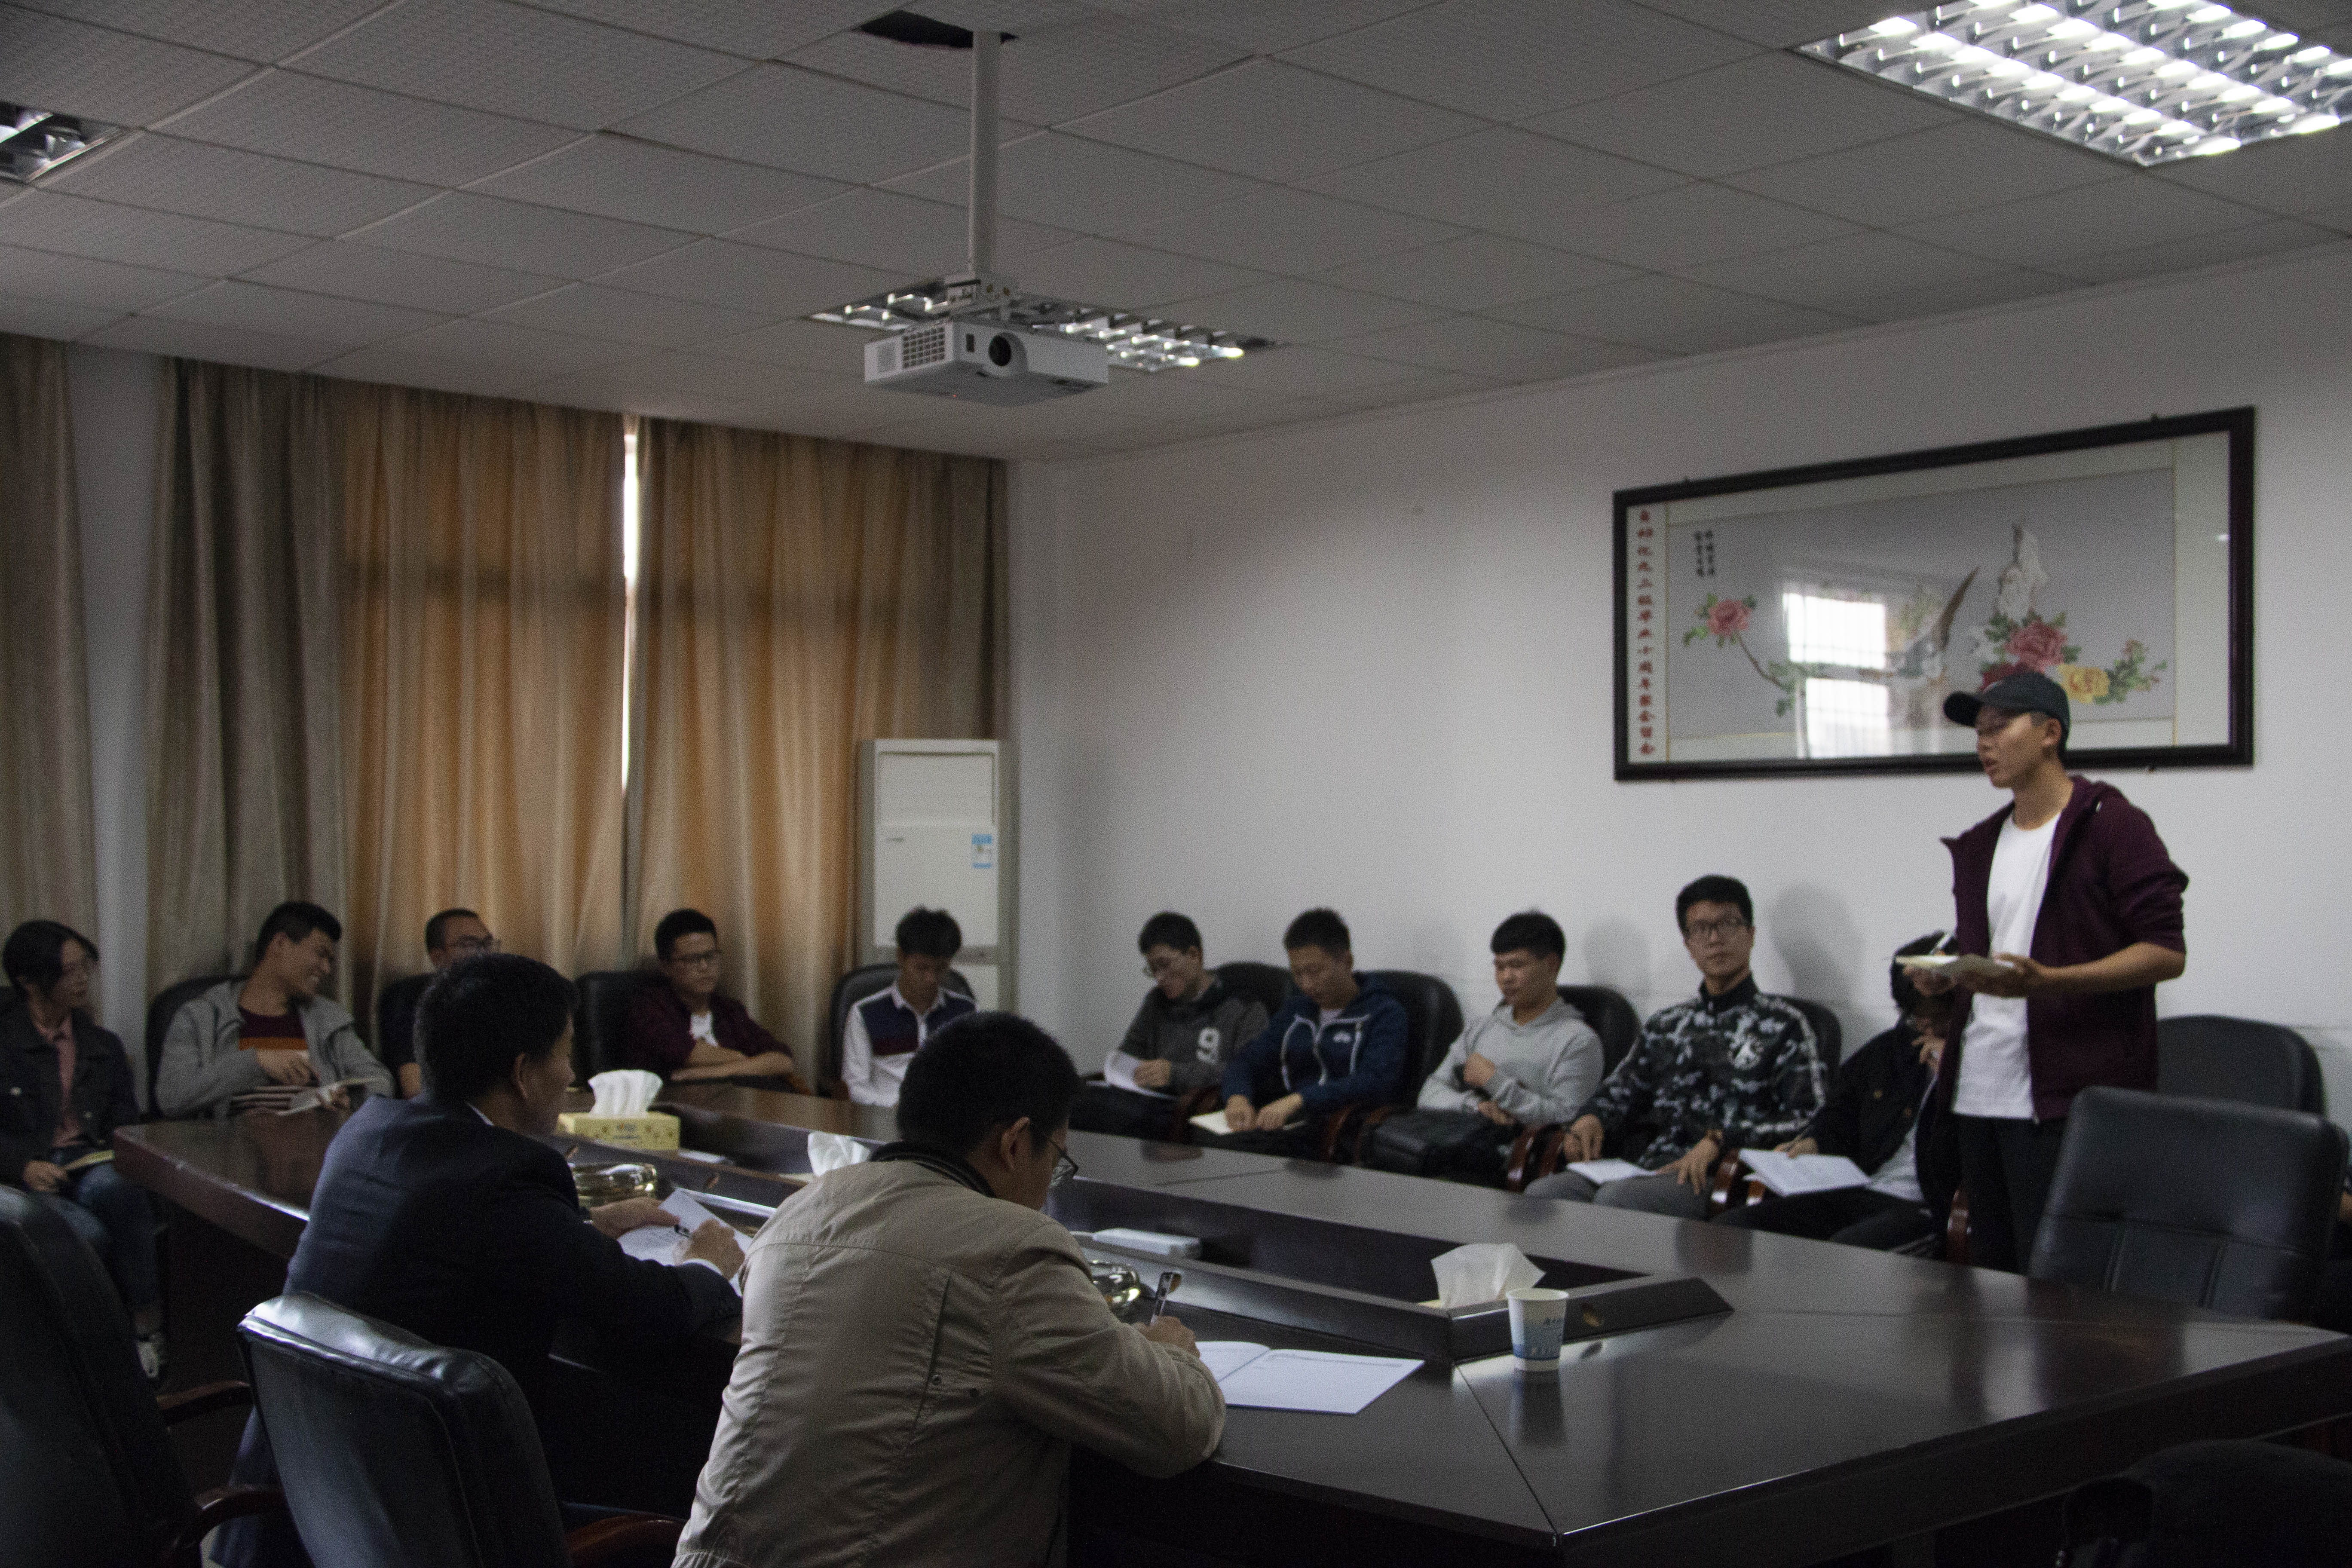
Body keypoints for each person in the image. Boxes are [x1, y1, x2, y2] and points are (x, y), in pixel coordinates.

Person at [217, 952, 744, 1568]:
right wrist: (709, 1263)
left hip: (314, 1516)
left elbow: (461, 1231)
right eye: (564, 1056)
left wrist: (582, 1227)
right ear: (522, 1074)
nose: (572, 1075)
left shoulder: (368, 1134)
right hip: (437, 1530)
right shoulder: (503, 1175)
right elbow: (651, 1310)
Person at [674, 1011, 1222, 1568]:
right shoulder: (1012, 1251)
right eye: (1057, 1163)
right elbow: (1175, 1428)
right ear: (1015, 1144)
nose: (1047, 1189)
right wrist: (1174, 1357)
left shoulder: (798, 1213)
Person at [1937, 671, 2188, 1271]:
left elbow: (2165, 952)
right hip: (1980, 1086)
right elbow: (1998, 952)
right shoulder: (1981, 843)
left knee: (2058, 1280)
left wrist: (2052, 982)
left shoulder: (2111, 825)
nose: (1985, 744)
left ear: (2050, 733)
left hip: (2068, 1096)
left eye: (2000, 728)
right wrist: (1948, 974)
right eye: (1979, 732)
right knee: (1989, 1275)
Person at [1525, 876, 1823, 1219]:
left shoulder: (1786, 1025)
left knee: (1618, 1200)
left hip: (1719, 1176)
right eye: (1701, 929)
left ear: (1750, 935)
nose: (1715, 939)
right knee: (1544, 1194)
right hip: (1650, 1166)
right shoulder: (1667, 1025)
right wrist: (1591, 1117)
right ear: (1688, 944)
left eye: (1728, 924)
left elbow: (1808, 1120)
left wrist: (1721, 1140)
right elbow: (1619, 1092)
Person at [1716, 934, 1961, 1251]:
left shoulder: (1981, 1064)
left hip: (1925, 1206)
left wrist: (1953, 1072)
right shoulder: (1889, 1050)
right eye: (1914, 1015)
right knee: (1733, 1229)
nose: (1925, 1024)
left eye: (1937, 1014)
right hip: (1863, 1188)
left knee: (1844, 1252)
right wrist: (1816, 1141)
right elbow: (1840, 1111)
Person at [1, 920, 165, 1378]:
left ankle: (147, 1326)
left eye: (84, 968)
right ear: (30, 981)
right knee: (87, 1235)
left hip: (89, 1161)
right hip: (27, 1173)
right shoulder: (6, 1044)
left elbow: (126, 1121)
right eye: (69, 970)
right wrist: (22, 1166)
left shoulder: (102, 1045)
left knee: (120, 1190)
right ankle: (94, 1351)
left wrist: (115, 1149)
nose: (82, 980)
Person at [155, 901, 392, 1118]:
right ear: (280, 944)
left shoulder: (328, 1018)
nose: (327, 969)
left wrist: (352, 1102)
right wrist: (256, 1061)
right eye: (321, 954)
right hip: (233, 1147)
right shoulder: (200, 1017)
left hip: (316, 1145)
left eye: (330, 960)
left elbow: (380, 1081)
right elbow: (172, 1097)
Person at [1214, 908, 1409, 1156]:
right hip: (1287, 1124)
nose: (1306, 984)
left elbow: (1375, 1081)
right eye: (1297, 974)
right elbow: (1248, 1059)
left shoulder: (1385, 1013)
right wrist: (1237, 1097)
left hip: (1340, 1129)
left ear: (1347, 962)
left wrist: (1300, 1099)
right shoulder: (1297, 1010)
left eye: (1315, 972)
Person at [1069, 911, 1269, 1139]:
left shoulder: (1243, 1006)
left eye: (1165, 965)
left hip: (1196, 1108)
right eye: (1153, 969)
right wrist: (1125, 1070)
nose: (1160, 977)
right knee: (1075, 1099)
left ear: (1194, 955)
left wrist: (1174, 1073)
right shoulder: (1157, 1001)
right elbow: (1130, 1053)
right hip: (1150, 1100)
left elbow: (1249, 1070)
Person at [1416, 910, 1605, 1135]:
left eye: (1517, 965)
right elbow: (1430, 1093)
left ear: (1551, 965)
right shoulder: (1482, 1027)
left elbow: (1567, 1119)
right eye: (1500, 967)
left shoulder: (1578, 1041)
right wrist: (1476, 1106)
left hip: (1520, 1152)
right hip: (1459, 1141)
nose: (1506, 978)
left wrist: (1494, 1081)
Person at [627, 908, 800, 1089]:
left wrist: (711, 1073)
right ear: (666, 967)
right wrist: (749, 1063)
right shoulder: (649, 1007)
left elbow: (783, 1060)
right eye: (692, 959)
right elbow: (687, 1054)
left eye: (710, 956)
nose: (705, 967)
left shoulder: (728, 1009)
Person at [839, 906, 976, 1107]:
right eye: (922, 968)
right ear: (901, 958)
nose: (930, 979)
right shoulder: (865, 1013)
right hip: (887, 1114)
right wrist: (897, 1107)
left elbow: (976, 1079)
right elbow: (854, 1087)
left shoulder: (966, 1012)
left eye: (940, 969)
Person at [378, 907, 499, 1098]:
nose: (483, 953)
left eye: (487, 944)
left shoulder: (501, 998)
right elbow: (415, 1089)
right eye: (469, 944)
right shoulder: (414, 999)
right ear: (437, 956)